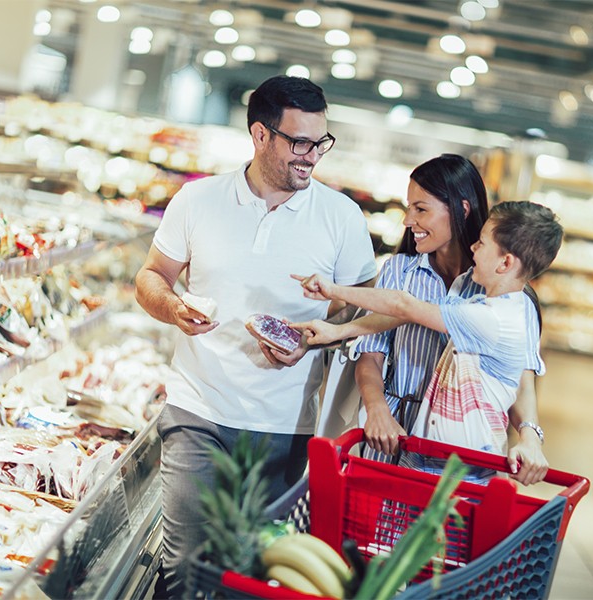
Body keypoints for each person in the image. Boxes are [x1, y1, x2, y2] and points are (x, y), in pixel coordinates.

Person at [135, 75, 377, 597]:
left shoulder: (342, 218)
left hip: (286, 425)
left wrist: (317, 338)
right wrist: (175, 309)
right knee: (184, 564)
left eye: (321, 143)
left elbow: (365, 315)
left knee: (251, 571)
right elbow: (151, 277)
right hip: (196, 410)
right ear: (260, 135)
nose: (311, 157)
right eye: (299, 142)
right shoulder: (198, 199)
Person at [294, 155, 549, 484]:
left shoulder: (502, 294)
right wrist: (377, 410)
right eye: (408, 208)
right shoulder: (400, 270)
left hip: (457, 459)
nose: (408, 220)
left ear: (461, 208)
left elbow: (520, 379)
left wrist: (530, 435)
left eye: (421, 209)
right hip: (388, 439)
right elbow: (373, 349)